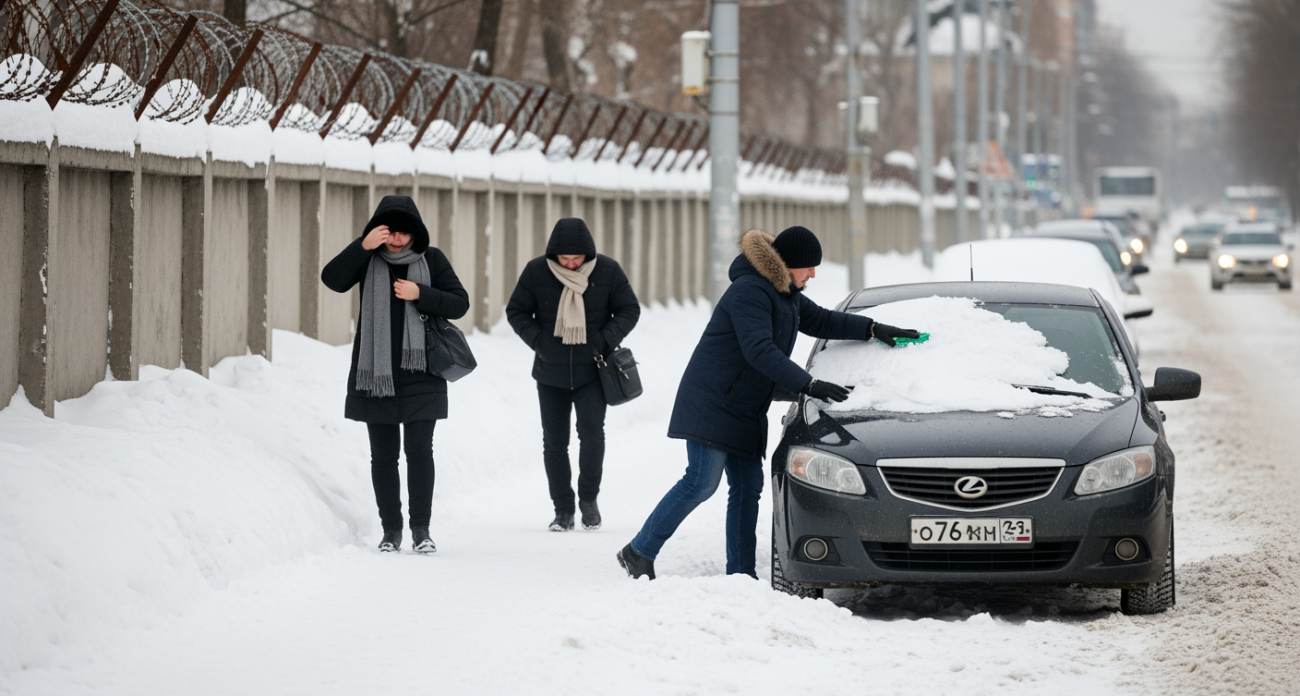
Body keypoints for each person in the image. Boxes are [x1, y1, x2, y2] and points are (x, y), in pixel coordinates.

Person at [617, 226, 920, 579]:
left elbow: (823, 320)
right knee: (701, 482)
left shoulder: (786, 294)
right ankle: (638, 551)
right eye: (809, 266)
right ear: (788, 264)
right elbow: (759, 349)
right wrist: (808, 384)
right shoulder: (750, 291)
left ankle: (741, 574)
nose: (813, 274)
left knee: (748, 489)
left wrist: (872, 328)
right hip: (713, 401)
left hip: (745, 406)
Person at [321, 195, 469, 554]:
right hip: (377, 373)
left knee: (420, 452)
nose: (397, 240)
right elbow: (332, 280)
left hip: (422, 371)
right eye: (390, 233)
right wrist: (362, 246)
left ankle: (421, 530)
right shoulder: (368, 258)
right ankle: (391, 530)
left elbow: (459, 303)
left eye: (404, 233)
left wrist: (421, 293)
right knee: (383, 456)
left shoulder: (431, 260)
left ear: (415, 233)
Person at [506, 218, 640, 532]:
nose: (569, 264)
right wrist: (541, 343)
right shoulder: (537, 271)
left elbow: (629, 309)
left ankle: (589, 500)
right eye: (564, 259)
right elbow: (517, 311)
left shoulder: (607, 270)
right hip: (549, 372)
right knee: (554, 441)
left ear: (587, 254)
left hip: (593, 371)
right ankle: (563, 509)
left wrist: (601, 341)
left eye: (576, 259)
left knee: (592, 435)